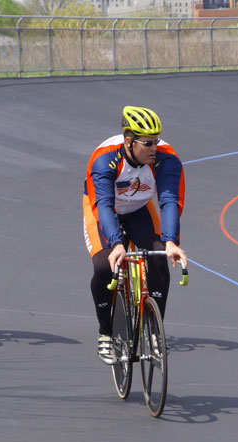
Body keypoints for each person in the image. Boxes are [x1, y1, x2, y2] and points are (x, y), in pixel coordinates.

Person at [82, 106, 187, 364]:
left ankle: (154, 331)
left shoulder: (167, 158)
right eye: (148, 143)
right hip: (106, 210)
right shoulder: (103, 159)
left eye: (157, 141)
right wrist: (117, 244)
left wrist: (171, 241)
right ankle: (105, 332)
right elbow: (103, 206)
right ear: (129, 142)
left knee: (160, 258)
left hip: (139, 209)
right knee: (104, 266)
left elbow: (170, 201)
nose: (154, 147)